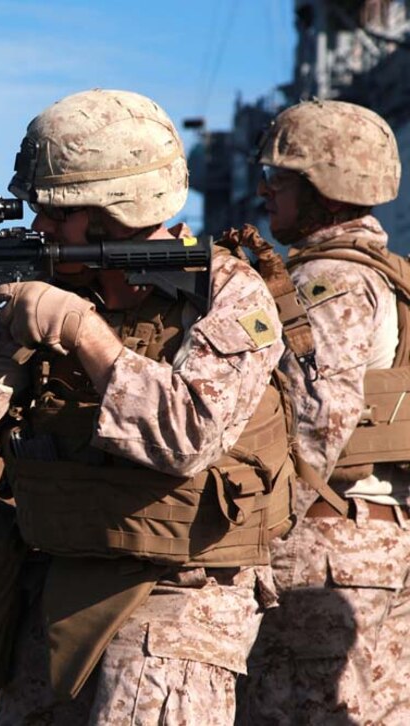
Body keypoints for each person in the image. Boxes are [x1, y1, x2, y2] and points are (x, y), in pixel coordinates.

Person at [0, 89, 294, 724]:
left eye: (56, 211)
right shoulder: (49, 291)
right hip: (53, 581)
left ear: (116, 206)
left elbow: (188, 436)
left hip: (178, 593)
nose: (39, 227)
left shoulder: (226, 290)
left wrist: (84, 333)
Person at [241, 99, 410, 724]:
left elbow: (318, 420)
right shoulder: (383, 272)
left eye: (279, 180)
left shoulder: (328, 279)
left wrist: (254, 523)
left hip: (320, 541)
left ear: (327, 190)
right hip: (368, 536)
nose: (265, 193)